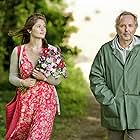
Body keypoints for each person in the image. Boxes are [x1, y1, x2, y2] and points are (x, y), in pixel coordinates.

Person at [5, 13, 66, 140]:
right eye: (38, 26)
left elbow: (59, 78)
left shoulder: (52, 51)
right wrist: (23, 82)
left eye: (44, 26)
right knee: (20, 137)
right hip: (25, 103)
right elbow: (12, 77)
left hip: (46, 102)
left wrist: (44, 78)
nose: (43, 29)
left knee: (36, 137)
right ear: (29, 29)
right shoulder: (18, 51)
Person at [89, 11, 140, 140]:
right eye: (122, 25)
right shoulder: (105, 51)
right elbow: (96, 77)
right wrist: (110, 101)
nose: (126, 29)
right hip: (114, 112)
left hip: (138, 112)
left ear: (135, 27)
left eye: (130, 25)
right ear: (117, 27)